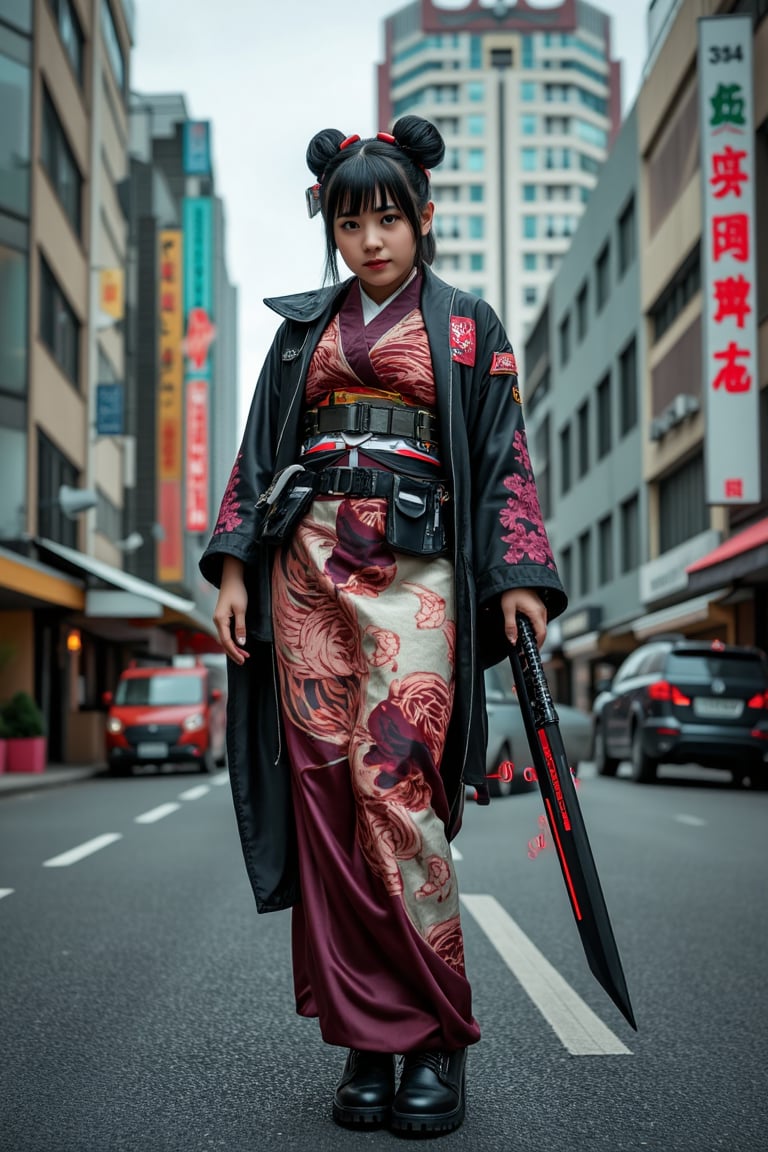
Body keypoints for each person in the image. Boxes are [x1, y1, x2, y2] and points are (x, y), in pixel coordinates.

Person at [200, 115, 567, 1137]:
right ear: (332, 225)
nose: (369, 240)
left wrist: (519, 578)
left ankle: (433, 1037)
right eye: (351, 220)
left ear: (425, 218)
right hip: (305, 573)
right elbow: (254, 455)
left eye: (388, 219)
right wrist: (235, 563)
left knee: (396, 794)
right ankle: (367, 1040)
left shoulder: (467, 327)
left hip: (418, 577)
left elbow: (503, 458)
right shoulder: (298, 332)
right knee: (328, 811)